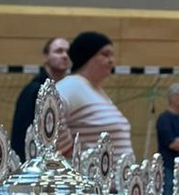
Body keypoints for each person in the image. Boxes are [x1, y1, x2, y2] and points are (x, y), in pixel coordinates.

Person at [55, 30, 134, 159]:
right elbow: (49, 112)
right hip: (90, 172)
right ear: (88, 57)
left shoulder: (94, 89)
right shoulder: (71, 85)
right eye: (105, 54)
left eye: (112, 55)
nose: (111, 60)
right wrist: (69, 152)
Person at [10, 35, 69, 158]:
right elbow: (23, 132)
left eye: (68, 52)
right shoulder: (34, 90)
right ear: (46, 57)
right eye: (59, 51)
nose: (65, 55)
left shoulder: (66, 89)